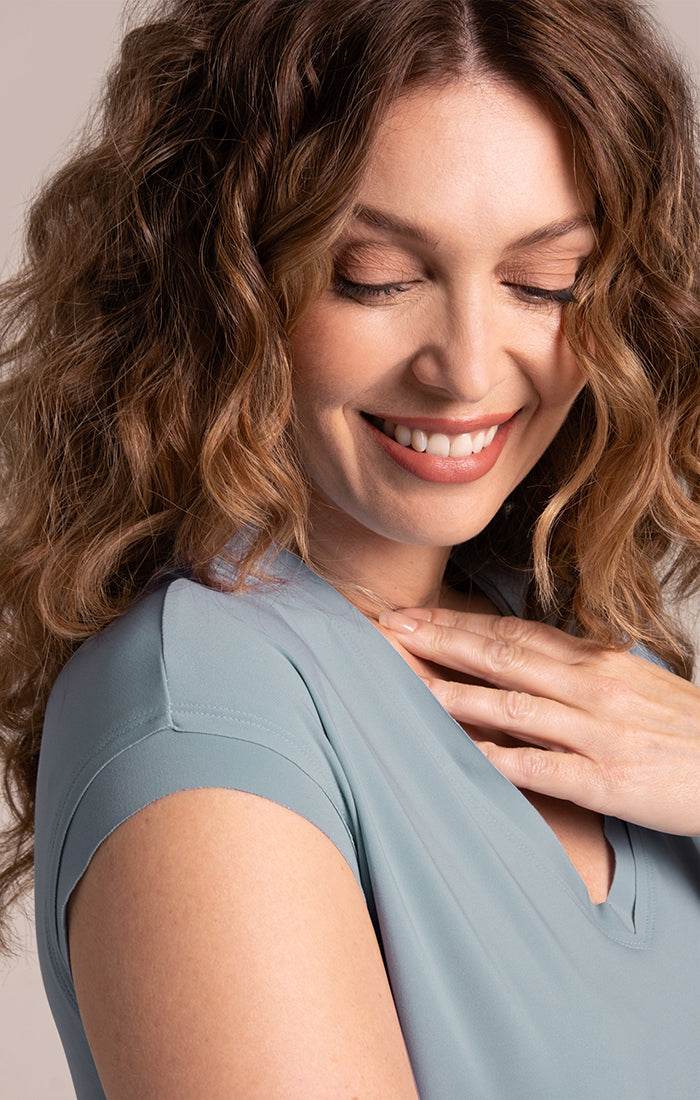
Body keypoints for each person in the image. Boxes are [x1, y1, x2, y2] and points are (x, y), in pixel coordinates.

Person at [0, 1, 698, 1097]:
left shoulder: (594, 658)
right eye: (375, 276)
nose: (468, 369)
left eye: (545, 282)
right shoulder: (203, 708)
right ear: (225, 284)